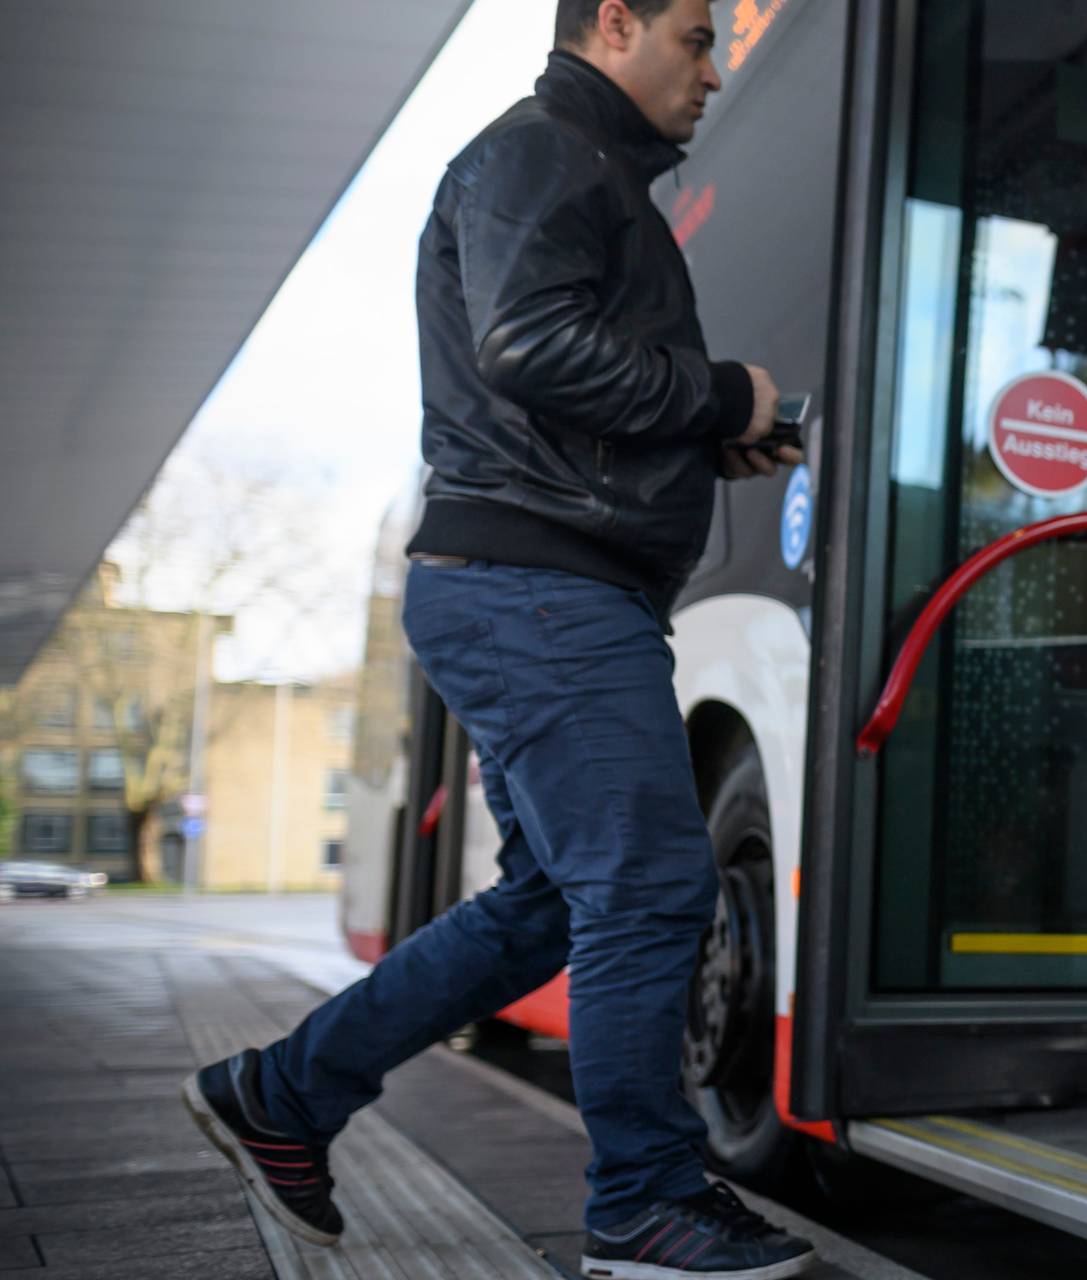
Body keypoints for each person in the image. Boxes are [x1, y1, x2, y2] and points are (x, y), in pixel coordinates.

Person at [180, 3, 813, 1277]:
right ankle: (641, 1198)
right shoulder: (540, 152)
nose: (714, 69)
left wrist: (700, 436)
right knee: (646, 884)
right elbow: (529, 345)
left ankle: (282, 1094)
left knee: (545, 904)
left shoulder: (588, 171)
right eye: (695, 37)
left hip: (544, 582)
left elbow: (561, 371)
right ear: (615, 24)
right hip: (541, 586)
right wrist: (721, 392)